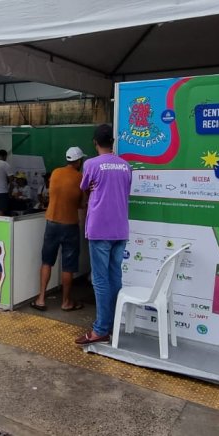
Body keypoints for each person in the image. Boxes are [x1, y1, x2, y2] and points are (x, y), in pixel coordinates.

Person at [75, 124, 132, 345]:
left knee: (100, 280)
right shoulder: (126, 166)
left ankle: (100, 329)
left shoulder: (91, 164)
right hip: (120, 229)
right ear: (113, 143)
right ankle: (114, 325)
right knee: (115, 276)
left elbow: (84, 187)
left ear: (95, 143)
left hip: (100, 229)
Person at [31, 147, 85, 312]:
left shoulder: (55, 173)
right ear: (79, 161)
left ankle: (41, 299)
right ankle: (66, 302)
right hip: (69, 224)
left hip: (52, 222)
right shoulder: (81, 178)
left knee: (47, 261)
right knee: (68, 266)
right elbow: (82, 204)